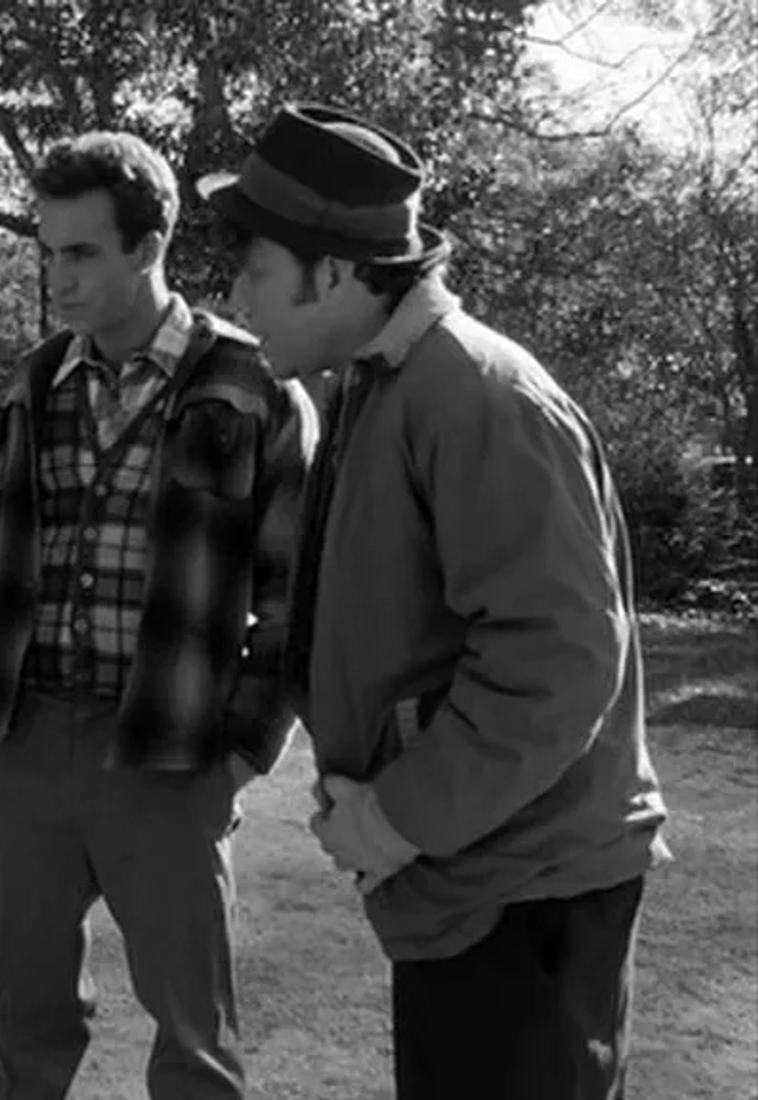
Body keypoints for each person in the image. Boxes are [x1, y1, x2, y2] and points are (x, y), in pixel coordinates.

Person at [201, 103, 672, 1100]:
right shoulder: (387, 383)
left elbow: (557, 661)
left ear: (333, 271)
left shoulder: (476, 396)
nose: (236, 293)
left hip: (527, 888)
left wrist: (398, 814)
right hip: (477, 875)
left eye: (254, 267)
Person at [0, 131, 318, 1100]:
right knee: (26, 1021)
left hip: (169, 753)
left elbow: (294, 598)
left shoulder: (254, 386)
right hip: (21, 742)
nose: (56, 278)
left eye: (81, 253)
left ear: (148, 247)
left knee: (194, 1036)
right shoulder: (25, 385)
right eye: (47, 251)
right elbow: (0, 563)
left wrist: (239, 754)